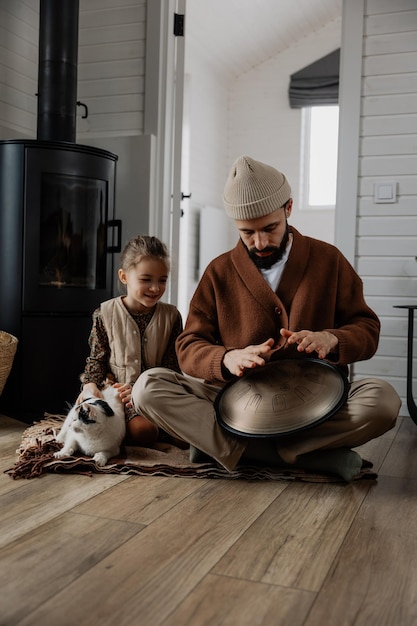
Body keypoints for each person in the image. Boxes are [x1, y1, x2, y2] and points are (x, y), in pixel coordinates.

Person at [132, 156, 401, 480]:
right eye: (247, 233)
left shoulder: (328, 260)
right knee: (147, 387)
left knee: (383, 401)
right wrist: (227, 358)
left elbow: (367, 328)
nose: (259, 242)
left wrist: (332, 339)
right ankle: (302, 455)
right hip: (234, 402)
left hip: (318, 403)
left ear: (288, 209)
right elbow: (188, 345)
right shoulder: (219, 271)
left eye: (269, 229)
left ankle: (230, 448)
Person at [77, 234, 183, 446]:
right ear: (124, 277)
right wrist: (90, 386)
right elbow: (96, 360)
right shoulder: (104, 313)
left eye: (162, 280)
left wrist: (145, 390)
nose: (155, 288)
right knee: (144, 432)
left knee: (186, 437)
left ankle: (165, 429)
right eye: (146, 280)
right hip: (119, 397)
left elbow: (173, 368)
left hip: (157, 395)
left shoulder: (172, 317)